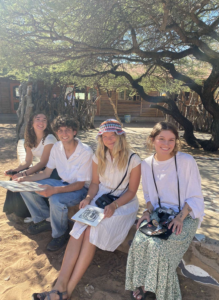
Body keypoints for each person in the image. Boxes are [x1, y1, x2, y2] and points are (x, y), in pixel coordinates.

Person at [32, 119, 141, 300]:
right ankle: (60, 285)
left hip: (123, 203)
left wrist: (114, 205)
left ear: (120, 136)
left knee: (91, 229)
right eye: (105, 137)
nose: (109, 140)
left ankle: (68, 289)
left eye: (112, 136)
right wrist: (88, 198)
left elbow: (131, 191)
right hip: (100, 197)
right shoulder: (98, 155)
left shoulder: (133, 158)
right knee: (78, 228)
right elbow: (95, 184)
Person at [126, 122, 205, 300]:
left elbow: (194, 196)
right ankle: (144, 282)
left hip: (186, 214)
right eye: (161, 139)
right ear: (152, 140)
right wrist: (147, 213)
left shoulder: (186, 161)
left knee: (158, 247)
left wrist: (180, 218)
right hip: (160, 213)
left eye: (171, 140)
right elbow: (149, 196)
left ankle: (158, 290)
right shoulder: (146, 164)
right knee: (139, 240)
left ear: (176, 141)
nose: (166, 144)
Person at [16, 116, 93, 251]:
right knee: (25, 187)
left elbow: (80, 184)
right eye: (60, 131)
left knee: (56, 199)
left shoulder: (85, 151)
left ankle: (60, 234)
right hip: (62, 183)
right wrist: (24, 178)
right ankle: (43, 219)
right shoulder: (57, 147)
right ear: (56, 133)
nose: (64, 134)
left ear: (74, 132)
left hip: (80, 190)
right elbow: (46, 173)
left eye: (67, 130)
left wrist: (54, 190)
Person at [3, 112, 57, 218]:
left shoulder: (50, 138)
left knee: (23, 180)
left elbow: (43, 162)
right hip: (43, 169)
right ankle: (16, 211)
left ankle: (27, 214)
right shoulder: (30, 139)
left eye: (44, 119)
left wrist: (24, 174)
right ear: (32, 123)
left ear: (47, 123)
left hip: (52, 171)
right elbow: (27, 161)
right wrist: (15, 170)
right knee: (14, 177)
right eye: (38, 119)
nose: (41, 122)